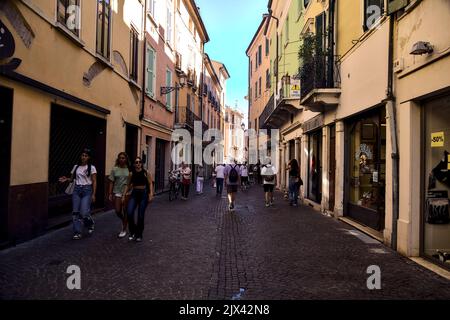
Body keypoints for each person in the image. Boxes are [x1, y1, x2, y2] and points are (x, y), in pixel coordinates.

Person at [59, 148, 97, 240]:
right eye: (82, 155)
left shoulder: (91, 167)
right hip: (76, 190)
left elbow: (94, 181)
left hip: (87, 190)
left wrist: (93, 194)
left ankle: (90, 223)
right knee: (75, 212)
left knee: (84, 212)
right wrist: (66, 179)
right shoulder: (76, 167)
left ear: (88, 157)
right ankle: (78, 232)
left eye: (85, 156)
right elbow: (72, 179)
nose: (83, 157)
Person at [123, 157, 154, 242]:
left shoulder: (146, 172)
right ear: (134, 164)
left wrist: (151, 194)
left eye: (139, 162)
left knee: (140, 215)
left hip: (143, 194)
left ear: (141, 163)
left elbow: (150, 183)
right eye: (136, 162)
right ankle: (132, 231)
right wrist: (124, 195)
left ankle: (139, 234)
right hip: (134, 193)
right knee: (129, 212)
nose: (138, 163)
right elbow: (127, 184)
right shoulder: (131, 173)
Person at [108, 152, 130, 238]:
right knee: (117, 210)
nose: (122, 159)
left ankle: (124, 229)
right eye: (120, 158)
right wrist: (110, 193)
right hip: (117, 192)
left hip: (127, 192)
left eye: (123, 158)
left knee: (125, 211)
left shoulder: (129, 169)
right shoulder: (114, 169)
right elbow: (111, 182)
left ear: (126, 159)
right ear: (118, 159)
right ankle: (124, 221)